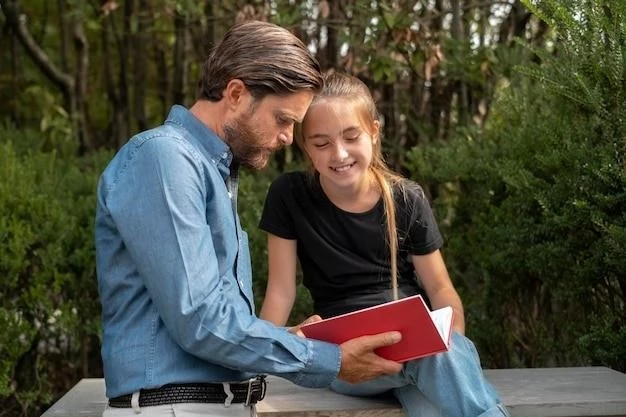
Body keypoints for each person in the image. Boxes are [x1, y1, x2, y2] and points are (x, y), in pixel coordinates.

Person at [94, 21, 404, 417]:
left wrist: (286, 338)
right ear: (236, 94)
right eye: (283, 119)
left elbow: (214, 322)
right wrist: (327, 359)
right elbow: (200, 321)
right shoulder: (164, 158)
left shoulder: (211, 171)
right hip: (172, 409)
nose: (289, 138)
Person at [258, 71, 510, 417]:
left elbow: (441, 290)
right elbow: (280, 291)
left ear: (374, 132)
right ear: (306, 148)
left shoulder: (406, 199)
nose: (339, 153)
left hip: (421, 349)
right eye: (321, 143)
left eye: (351, 136)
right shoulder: (289, 196)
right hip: (348, 360)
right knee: (431, 366)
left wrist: (448, 343)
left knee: (431, 400)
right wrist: (257, 359)